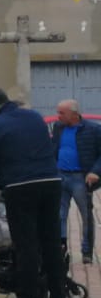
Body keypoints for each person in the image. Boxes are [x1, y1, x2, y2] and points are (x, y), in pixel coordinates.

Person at [0, 87, 66, 298]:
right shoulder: (34, 116)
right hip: (51, 181)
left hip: (20, 186)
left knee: (26, 244)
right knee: (52, 241)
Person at [51, 100, 101, 266]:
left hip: (81, 178)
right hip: (60, 176)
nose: (58, 116)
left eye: (61, 113)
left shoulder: (93, 129)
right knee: (59, 214)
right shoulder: (58, 128)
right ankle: (61, 248)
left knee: (86, 216)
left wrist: (95, 171)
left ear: (74, 114)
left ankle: (86, 251)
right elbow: (54, 148)